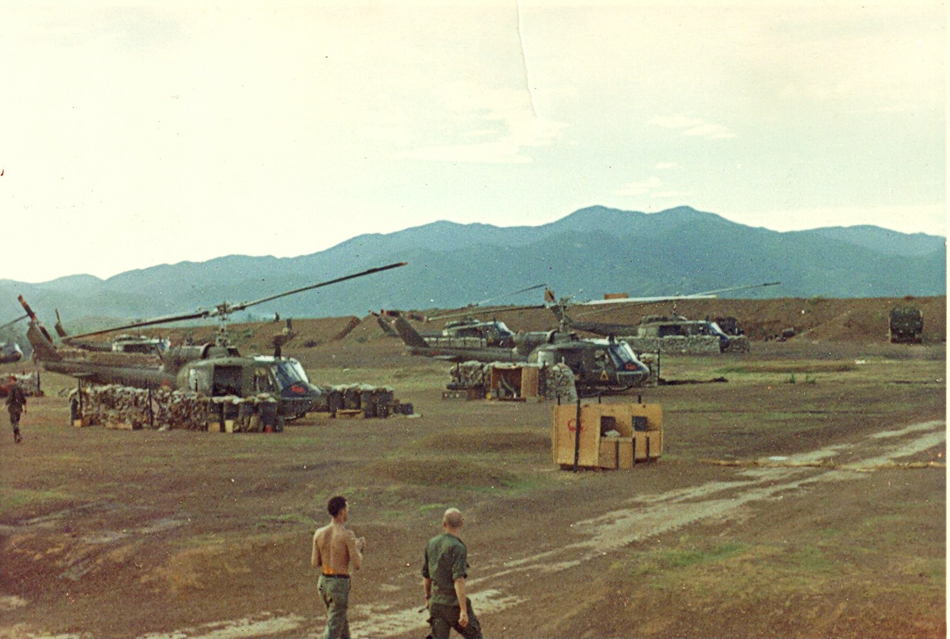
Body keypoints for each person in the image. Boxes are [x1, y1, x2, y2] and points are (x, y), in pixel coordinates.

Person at [422, 508, 482, 639]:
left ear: (444, 523)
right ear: (461, 524)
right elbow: (459, 580)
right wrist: (463, 611)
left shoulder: (432, 543)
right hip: (453, 605)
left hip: (436, 604)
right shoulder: (458, 547)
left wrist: (428, 598)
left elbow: (426, 576)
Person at [311, 496, 365, 639]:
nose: (348, 512)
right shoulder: (347, 535)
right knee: (333, 630)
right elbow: (357, 564)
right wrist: (358, 547)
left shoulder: (319, 533)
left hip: (323, 582)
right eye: (347, 509)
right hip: (339, 584)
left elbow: (315, 562)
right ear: (341, 512)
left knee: (340, 623)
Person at [6, 376, 26, 444]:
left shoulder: (12, 389)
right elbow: (24, 399)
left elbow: (10, 398)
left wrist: (5, 404)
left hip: (13, 408)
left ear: (14, 381)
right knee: (16, 422)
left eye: (11, 381)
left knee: (14, 423)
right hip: (19, 408)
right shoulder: (20, 389)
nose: (10, 382)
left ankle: (19, 435)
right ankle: (16, 438)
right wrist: (25, 408)